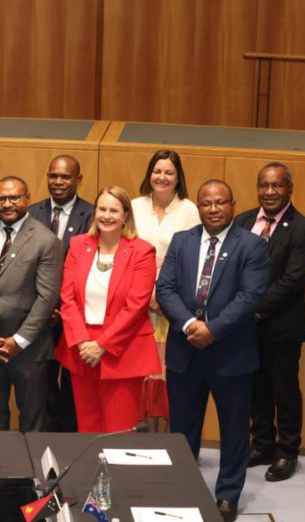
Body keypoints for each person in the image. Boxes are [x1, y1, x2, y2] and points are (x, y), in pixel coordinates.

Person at [157, 180, 269, 522]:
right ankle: (181, 488)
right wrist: (190, 325)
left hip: (230, 354)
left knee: (234, 430)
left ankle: (227, 495)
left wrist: (213, 330)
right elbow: (165, 288)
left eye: (220, 203)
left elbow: (251, 296)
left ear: (233, 205)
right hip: (185, 350)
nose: (213, 209)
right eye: (206, 203)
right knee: (182, 429)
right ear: (199, 207)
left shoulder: (252, 245)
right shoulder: (182, 240)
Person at [55, 186, 160, 432]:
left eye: (114, 210)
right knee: (87, 425)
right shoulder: (78, 245)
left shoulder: (142, 251)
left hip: (122, 349)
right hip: (81, 347)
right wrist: (83, 342)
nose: (107, 216)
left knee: (117, 430)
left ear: (125, 215)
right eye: (102, 209)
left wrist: (102, 344)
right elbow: (67, 297)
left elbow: (136, 306)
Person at [236, 163, 305, 482]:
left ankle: (287, 452)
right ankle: (263, 445)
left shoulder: (304, 229)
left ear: (289, 189)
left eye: (277, 186)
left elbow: (293, 280)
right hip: (245, 327)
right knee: (255, 387)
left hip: (281, 326)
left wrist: (253, 308)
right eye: (264, 186)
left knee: (284, 390)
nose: (269, 192)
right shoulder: (242, 222)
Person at [0, 176, 61, 432]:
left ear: (27, 198)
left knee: (32, 427)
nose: (7, 204)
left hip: (29, 351)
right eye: (1, 199)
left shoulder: (46, 240)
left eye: (14, 198)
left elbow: (46, 298)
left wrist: (18, 341)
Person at [130, 150, 201, 430]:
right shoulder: (134, 206)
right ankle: (141, 432)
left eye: (169, 172)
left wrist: (163, 295)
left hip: (172, 302)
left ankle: (167, 438)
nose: (162, 177)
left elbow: (192, 259)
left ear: (178, 177)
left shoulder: (190, 210)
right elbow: (126, 251)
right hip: (135, 300)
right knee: (140, 367)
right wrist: (144, 293)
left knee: (166, 369)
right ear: (149, 174)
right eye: (157, 171)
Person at [29, 155, 95, 432]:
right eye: (53, 176)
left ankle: (69, 436)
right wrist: (43, 308)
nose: (58, 181)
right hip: (38, 317)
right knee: (40, 384)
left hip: (74, 319)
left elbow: (89, 271)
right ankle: (47, 436)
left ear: (78, 180)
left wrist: (62, 309)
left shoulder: (92, 216)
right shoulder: (31, 213)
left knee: (72, 385)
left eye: (65, 177)